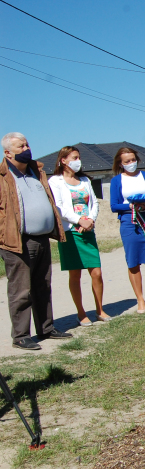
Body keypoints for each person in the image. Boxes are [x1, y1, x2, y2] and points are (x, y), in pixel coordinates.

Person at [0, 132, 72, 350]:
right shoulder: (2, 176)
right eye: (21, 146)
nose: (26, 148)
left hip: (41, 238)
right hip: (18, 240)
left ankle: (46, 328)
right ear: (7, 152)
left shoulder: (36, 171)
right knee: (21, 289)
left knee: (43, 285)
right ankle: (21, 335)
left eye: (27, 144)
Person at [48, 146, 110, 326]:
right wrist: (78, 221)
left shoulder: (84, 180)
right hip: (70, 232)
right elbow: (59, 207)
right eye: (74, 157)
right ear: (63, 161)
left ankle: (100, 309)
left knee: (96, 272)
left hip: (88, 231)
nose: (78, 161)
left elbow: (94, 203)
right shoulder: (55, 181)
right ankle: (81, 313)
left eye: (79, 157)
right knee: (75, 275)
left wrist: (89, 220)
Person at [109, 147, 145, 314]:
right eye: (127, 161)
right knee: (133, 262)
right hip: (129, 223)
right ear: (120, 163)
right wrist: (130, 206)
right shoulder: (116, 181)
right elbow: (114, 205)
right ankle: (140, 299)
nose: (131, 163)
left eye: (133, 160)